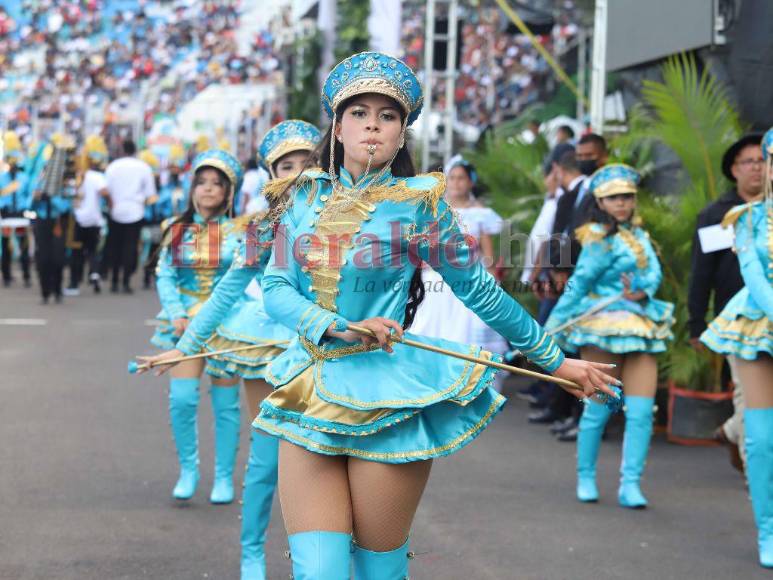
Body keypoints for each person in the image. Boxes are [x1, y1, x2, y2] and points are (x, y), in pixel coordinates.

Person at [250, 52, 618, 577]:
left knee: (379, 569)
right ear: (336, 125)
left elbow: (481, 292)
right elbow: (277, 287)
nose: (372, 124)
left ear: (403, 135)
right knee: (319, 570)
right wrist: (332, 324)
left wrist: (555, 362)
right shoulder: (302, 196)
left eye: (388, 115)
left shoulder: (421, 202)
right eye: (359, 112)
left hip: (387, 400)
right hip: (307, 387)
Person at [138, 119, 322, 580]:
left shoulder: (357, 217)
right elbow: (229, 292)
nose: (298, 173)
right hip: (271, 343)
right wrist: (183, 346)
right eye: (287, 165)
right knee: (268, 455)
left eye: (307, 163)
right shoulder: (260, 230)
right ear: (272, 174)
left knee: (330, 465)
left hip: (343, 356)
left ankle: (327, 561)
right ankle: (253, 552)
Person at [546, 164, 674, 508]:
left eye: (627, 197)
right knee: (599, 408)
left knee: (642, 411)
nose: (622, 203)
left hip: (640, 325)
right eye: (615, 197)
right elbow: (579, 286)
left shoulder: (642, 237)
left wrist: (641, 292)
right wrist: (543, 335)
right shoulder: (597, 241)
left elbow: (653, 277)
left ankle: (630, 483)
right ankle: (586, 476)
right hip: (602, 326)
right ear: (601, 201)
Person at [144, 149, 246, 504]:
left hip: (228, 325)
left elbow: (246, 280)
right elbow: (164, 274)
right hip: (183, 324)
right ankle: (188, 470)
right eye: (201, 182)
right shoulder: (174, 228)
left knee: (226, 404)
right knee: (183, 399)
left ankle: (223, 478)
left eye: (216, 184)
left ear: (229, 192)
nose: (206, 189)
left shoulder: (241, 230)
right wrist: (175, 312)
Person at [700, 127, 773, 569]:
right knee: (762, 435)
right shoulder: (745, 219)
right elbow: (755, 275)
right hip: (758, 326)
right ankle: (768, 529)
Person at [688, 134, 763, 471]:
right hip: (738, 321)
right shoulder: (718, 215)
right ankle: (756, 475)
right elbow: (701, 272)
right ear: (734, 170)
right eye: (749, 161)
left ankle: (731, 432)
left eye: (764, 160)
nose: (758, 168)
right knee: (748, 397)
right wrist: (696, 323)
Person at [410, 158, 508, 390]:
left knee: (466, 328)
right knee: (431, 324)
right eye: (451, 178)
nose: (456, 183)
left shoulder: (481, 213)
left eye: (461, 178)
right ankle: (430, 378)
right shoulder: (433, 209)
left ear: (470, 182)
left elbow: (487, 252)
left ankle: (466, 378)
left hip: (468, 279)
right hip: (436, 278)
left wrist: (492, 276)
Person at [103, 139, 157, 294]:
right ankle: (126, 281)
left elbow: (106, 190)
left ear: (122, 150)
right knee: (131, 247)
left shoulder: (113, 167)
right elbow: (150, 194)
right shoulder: (144, 168)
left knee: (115, 246)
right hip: (136, 211)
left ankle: (114, 280)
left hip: (116, 211)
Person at [30, 134, 78, 304]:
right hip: (42, 221)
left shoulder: (66, 180)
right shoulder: (37, 178)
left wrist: (53, 198)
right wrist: (36, 198)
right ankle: (45, 292)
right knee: (43, 259)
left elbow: (69, 205)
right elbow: (28, 205)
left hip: (58, 221)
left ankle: (57, 290)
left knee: (58, 258)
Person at [66, 135, 108, 295]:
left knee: (76, 253)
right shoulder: (98, 177)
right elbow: (105, 192)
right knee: (92, 251)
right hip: (94, 220)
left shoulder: (73, 178)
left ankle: (74, 283)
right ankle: (95, 274)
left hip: (77, 221)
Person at [0, 131, 32, 288]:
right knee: (6, 247)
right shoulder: (1, 178)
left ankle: (26, 275)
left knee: (23, 246)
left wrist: (24, 207)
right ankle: (6, 276)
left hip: (20, 217)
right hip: (6, 217)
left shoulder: (24, 178)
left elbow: (28, 196)